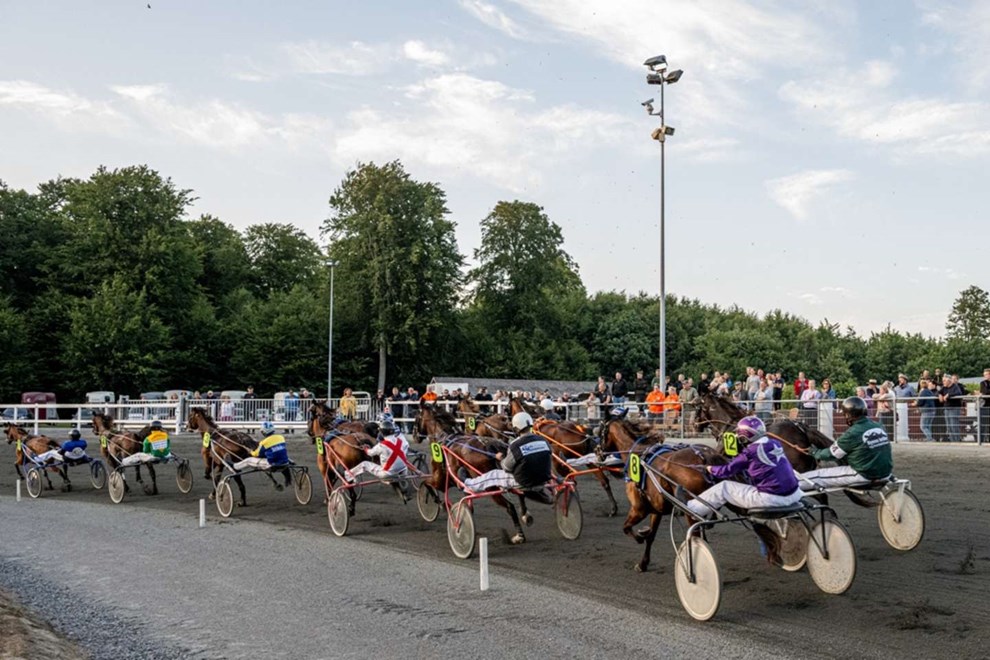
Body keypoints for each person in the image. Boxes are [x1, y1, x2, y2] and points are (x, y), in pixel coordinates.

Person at [685, 416, 802, 519]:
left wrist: (709, 468)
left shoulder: (750, 452)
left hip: (771, 499)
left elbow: (726, 471)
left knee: (724, 487)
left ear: (745, 436)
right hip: (795, 493)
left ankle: (693, 508)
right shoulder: (774, 443)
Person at [797, 397, 893, 490]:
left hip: (863, 474)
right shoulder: (878, 425)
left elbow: (832, 454)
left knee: (806, 478)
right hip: (887, 473)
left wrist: (813, 452)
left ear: (848, 415)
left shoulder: (852, 433)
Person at [463, 413, 553, 500]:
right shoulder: (543, 440)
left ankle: (468, 484)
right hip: (543, 481)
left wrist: (501, 458)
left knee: (493, 474)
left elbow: (506, 468)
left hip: (523, 483)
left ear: (516, 428)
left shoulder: (515, 445)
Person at [345, 413, 411, 498]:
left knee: (365, 464)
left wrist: (365, 448)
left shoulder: (381, 445)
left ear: (382, 432)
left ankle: (348, 476)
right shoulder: (400, 441)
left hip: (387, 474)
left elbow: (370, 453)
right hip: (403, 472)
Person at [940, 375, 965, 442]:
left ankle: (957, 440)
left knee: (954, 425)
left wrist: (948, 395)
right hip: (946, 409)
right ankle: (952, 440)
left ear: (949, 380)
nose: (943, 382)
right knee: (949, 427)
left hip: (954, 408)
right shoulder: (944, 387)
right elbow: (938, 392)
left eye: (944, 380)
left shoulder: (955, 386)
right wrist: (939, 395)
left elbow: (959, 393)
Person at [980, 369, 990, 443]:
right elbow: (984, 392)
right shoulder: (983, 383)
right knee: (983, 424)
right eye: (984, 374)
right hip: (985, 406)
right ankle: (981, 440)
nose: (985, 376)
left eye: (987, 374)